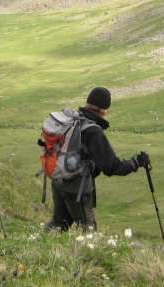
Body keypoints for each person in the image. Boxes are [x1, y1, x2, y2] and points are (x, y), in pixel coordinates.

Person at [44, 86, 150, 232]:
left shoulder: (75, 121)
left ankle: (39, 243)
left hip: (59, 179)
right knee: (88, 229)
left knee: (60, 221)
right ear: (105, 110)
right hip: (76, 187)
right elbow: (112, 167)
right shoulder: (92, 131)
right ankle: (86, 247)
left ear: (88, 103)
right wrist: (137, 162)